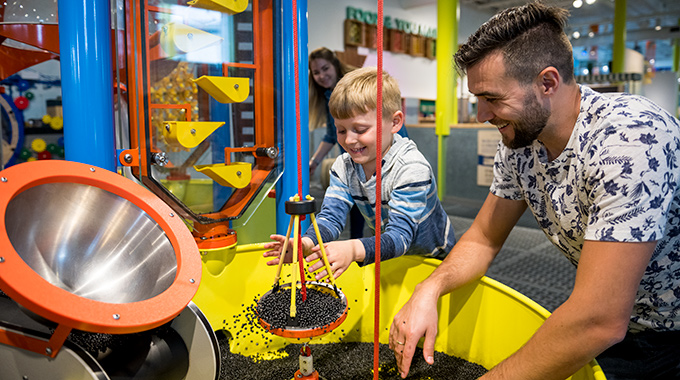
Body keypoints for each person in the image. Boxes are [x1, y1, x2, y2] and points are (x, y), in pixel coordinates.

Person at [388, 3, 680, 380]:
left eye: (492, 99)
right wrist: (429, 289)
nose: (480, 115)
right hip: (615, 317)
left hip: (665, 330)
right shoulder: (522, 142)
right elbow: (483, 238)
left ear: (547, 83)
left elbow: (600, 320)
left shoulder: (629, 141)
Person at [264, 67, 456, 280]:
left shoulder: (411, 169)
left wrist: (354, 249)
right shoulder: (343, 167)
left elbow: (401, 237)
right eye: (341, 130)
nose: (349, 140)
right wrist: (307, 243)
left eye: (361, 129)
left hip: (434, 259)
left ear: (394, 123)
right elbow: (331, 217)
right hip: (391, 254)